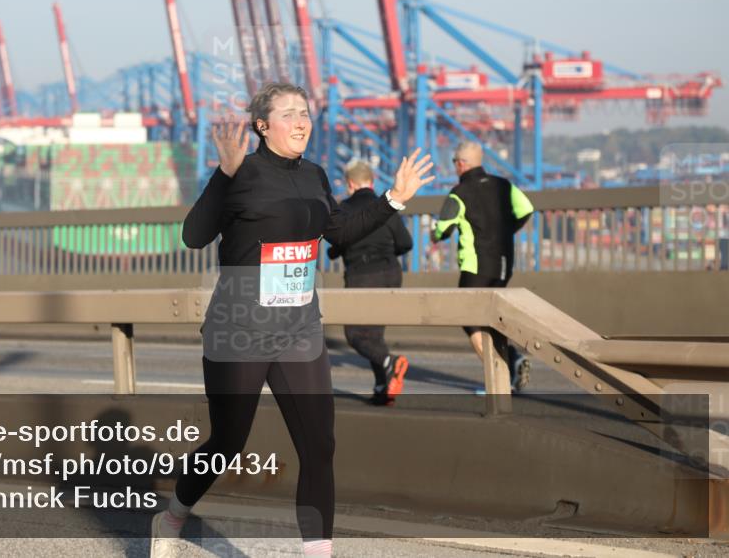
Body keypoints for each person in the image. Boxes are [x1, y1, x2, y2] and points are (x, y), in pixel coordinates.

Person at [150, 82, 433, 558]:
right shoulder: (242, 173)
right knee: (227, 442)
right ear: (262, 126)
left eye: (305, 113)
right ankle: (173, 515)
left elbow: (338, 230)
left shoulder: (317, 175)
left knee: (319, 445)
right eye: (288, 114)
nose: (302, 121)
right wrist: (224, 172)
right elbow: (194, 236)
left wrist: (393, 200)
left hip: (299, 329)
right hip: (239, 329)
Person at [430, 141, 534, 392]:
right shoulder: (503, 185)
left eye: (455, 162)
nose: (454, 166)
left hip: (476, 266)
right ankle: (510, 364)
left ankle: (502, 374)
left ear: (462, 164)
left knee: (469, 320)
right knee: (492, 319)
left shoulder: (460, 193)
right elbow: (526, 209)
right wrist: (508, 230)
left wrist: (435, 235)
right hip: (504, 263)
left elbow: (443, 229)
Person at [326, 159, 414, 405]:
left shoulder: (344, 208)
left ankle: (391, 363)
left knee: (355, 334)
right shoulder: (383, 206)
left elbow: (338, 243)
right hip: (391, 274)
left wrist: (338, 252)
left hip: (362, 276)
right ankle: (382, 388)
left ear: (350, 183)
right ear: (372, 182)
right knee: (374, 334)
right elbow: (406, 243)